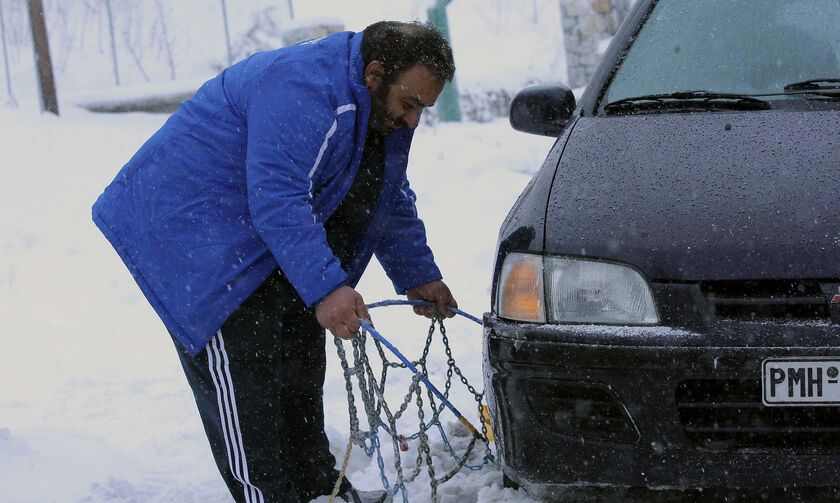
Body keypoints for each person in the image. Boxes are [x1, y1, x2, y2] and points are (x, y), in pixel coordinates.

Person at [91, 20, 458, 503]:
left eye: (423, 109)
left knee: (297, 367)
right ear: (374, 74)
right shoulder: (304, 88)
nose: (413, 120)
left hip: (257, 228)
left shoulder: (380, 109)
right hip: (191, 232)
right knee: (249, 385)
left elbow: (382, 189)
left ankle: (319, 491)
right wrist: (326, 287)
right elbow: (278, 196)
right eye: (410, 104)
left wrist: (418, 273)